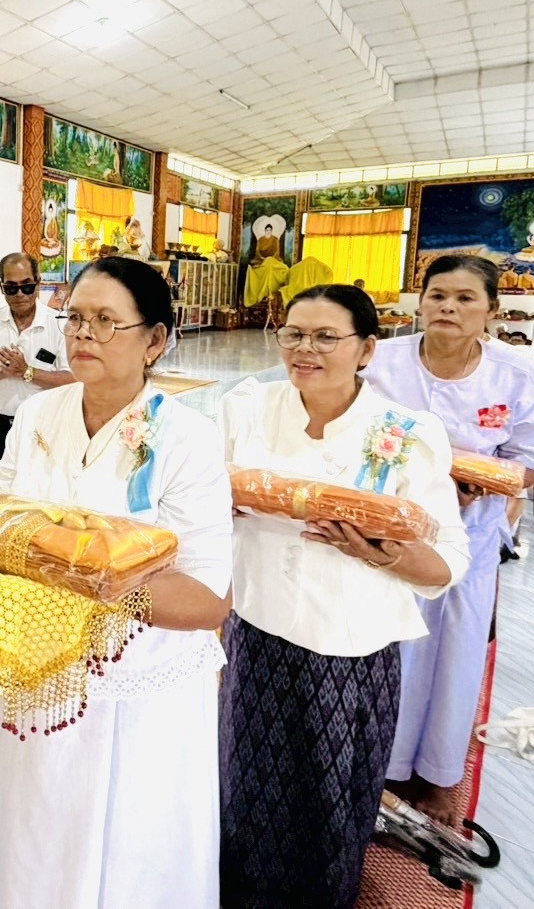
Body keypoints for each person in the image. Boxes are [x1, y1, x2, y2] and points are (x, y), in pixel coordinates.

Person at [0, 257, 232, 906]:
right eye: (74, 319)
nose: (82, 335)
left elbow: (208, 598)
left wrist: (86, 579)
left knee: (132, 845)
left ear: (154, 340)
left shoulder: (187, 440)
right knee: (38, 822)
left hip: (137, 689)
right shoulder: (39, 414)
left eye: (105, 321)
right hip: (36, 669)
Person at [221, 284, 469, 907]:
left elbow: (449, 562)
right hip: (257, 632)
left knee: (326, 803)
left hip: (349, 652)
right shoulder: (248, 407)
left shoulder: (407, 432)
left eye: (326, 336)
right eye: (294, 334)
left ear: (366, 350)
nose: (306, 349)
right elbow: (205, 505)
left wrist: (382, 553)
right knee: (247, 790)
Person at [362, 255, 534, 823]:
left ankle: (439, 773)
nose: (449, 306)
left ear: (491, 310)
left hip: (470, 530)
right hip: (389, 521)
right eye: (438, 295)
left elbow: (528, 462)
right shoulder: (382, 361)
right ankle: (381, 767)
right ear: (419, 302)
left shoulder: (513, 378)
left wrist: (473, 483)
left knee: (457, 646)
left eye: (466, 298)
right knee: (390, 642)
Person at [0, 252, 74, 482]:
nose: (20, 295)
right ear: (1, 287)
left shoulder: (58, 324)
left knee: (41, 493)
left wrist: (26, 372)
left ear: (38, 283)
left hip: (44, 427)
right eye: (11, 288)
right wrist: (0, 371)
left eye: (27, 286)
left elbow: (72, 380)